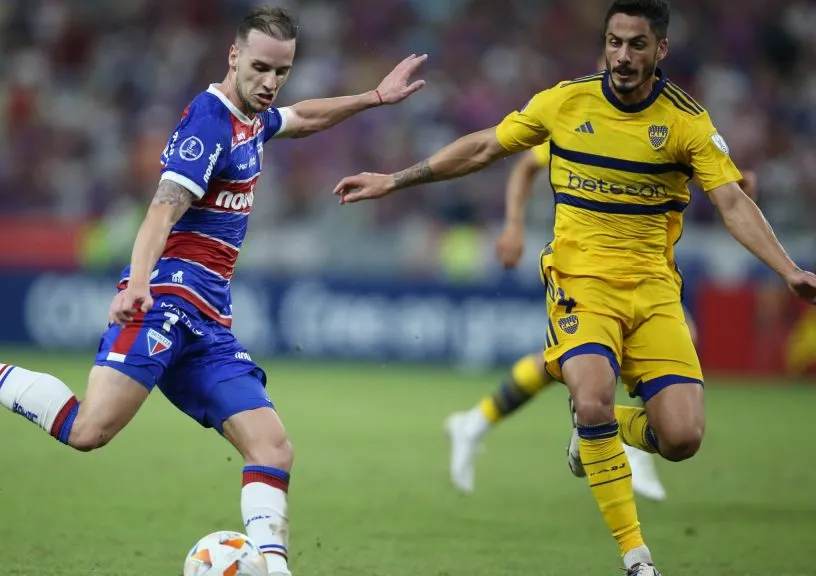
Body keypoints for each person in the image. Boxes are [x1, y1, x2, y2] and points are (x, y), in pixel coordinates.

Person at [0, 7, 426, 576]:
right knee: (88, 430)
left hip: (209, 322)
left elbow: (303, 116)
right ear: (234, 56)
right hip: (164, 302)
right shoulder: (209, 123)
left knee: (272, 447)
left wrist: (373, 98)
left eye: (281, 72)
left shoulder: (253, 117)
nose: (270, 82)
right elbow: (162, 209)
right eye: (260, 68)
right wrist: (138, 285)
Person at [332, 1, 816, 573]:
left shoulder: (687, 121)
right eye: (614, 42)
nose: (623, 56)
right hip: (579, 282)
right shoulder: (566, 101)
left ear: (661, 49)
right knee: (590, 398)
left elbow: (732, 201)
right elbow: (487, 146)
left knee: (682, 438)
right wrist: (394, 180)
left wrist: (787, 270)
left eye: (637, 44)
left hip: (654, 290)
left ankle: (596, 433)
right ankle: (637, 558)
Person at [445, 110, 759, 500]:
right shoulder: (581, 116)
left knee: (568, 362)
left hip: (643, 270)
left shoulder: (658, 122)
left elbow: (677, 167)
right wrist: (513, 225)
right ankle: (622, 444)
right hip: (589, 267)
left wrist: (731, 182)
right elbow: (526, 164)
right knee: (576, 362)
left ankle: (477, 421)